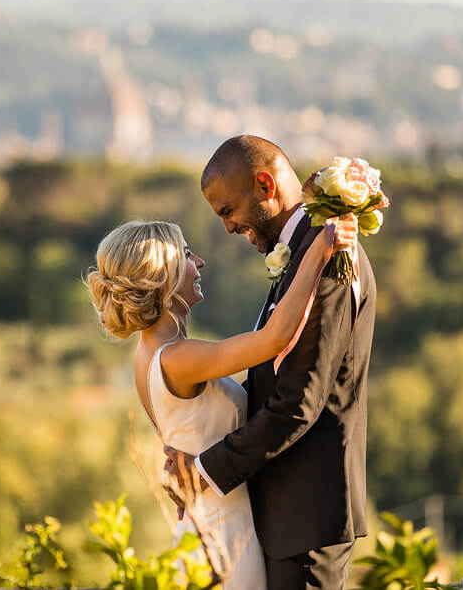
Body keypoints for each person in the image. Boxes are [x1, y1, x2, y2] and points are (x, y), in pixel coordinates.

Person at [86, 207, 358, 589]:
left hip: (207, 525)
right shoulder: (179, 358)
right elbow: (274, 338)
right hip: (222, 534)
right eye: (185, 254)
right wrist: (319, 248)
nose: (199, 262)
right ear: (161, 273)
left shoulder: (148, 355)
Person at [164, 135, 377, 590]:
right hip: (283, 513)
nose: (226, 227)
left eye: (227, 211)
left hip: (307, 517)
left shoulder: (330, 254)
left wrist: (203, 471)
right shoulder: (303, 252)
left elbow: (299, 402)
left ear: (265, 185)